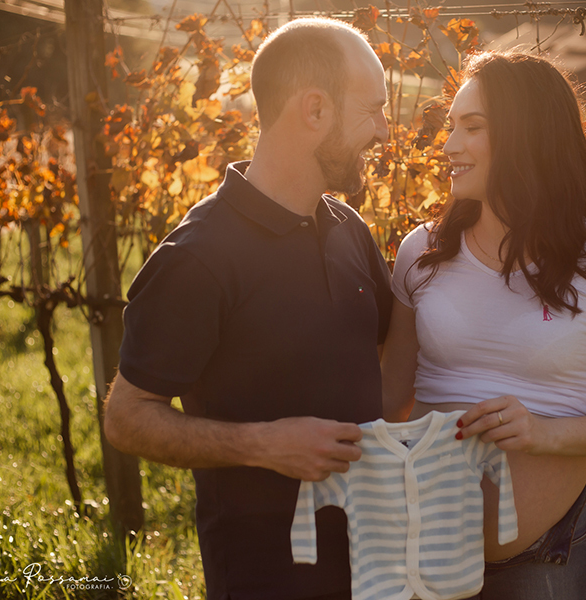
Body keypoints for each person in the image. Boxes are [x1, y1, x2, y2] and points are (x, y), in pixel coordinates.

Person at [103, 17, 392, 600]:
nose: (384, 132)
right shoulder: (200, 257)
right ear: (315, 111)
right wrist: (263, 445)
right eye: (372, 110)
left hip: (378, 565)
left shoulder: (349, 229)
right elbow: (126, 417)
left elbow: (389, 360)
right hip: (266, 577)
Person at [381, 51, 586, 599]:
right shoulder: (423, 251)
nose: (449, 145)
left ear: (527, 135)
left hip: (543, 557)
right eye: (450, 127)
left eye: (472, 128)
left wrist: (541, 431)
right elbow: (390, 396)